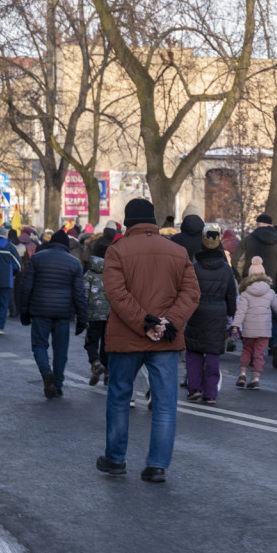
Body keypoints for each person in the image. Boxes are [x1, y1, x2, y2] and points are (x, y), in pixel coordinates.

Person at [98, 198, 200, 483]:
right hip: (166, 339)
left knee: (119, 398)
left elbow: (117, 295)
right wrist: (169, 323)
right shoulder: (178, 252)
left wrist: (145, 324)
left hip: (127, 337)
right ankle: (157, 465)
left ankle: (115, 459)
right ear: (154, 222)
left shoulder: (116, 251)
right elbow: (191, 293)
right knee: (165, 404)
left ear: (128, 222)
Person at [19, 230, 87, 398]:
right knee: (61, 350)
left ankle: (46, 372)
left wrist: (24, 311)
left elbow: (25, 287)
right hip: (63, 313)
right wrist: (82, 319)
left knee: (39, 345)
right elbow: (79, 293)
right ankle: (57, 384)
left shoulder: (37, 258)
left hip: (40, 310)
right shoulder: (74, 263)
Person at [186, 224, 238, 403]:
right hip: (218, 314)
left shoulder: (194, 267)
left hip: (196, 312)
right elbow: (231, 295)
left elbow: (187, 291)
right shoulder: (226, 269)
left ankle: (194, 388)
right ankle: (210, 393)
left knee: (194, 352)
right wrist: (231, 314)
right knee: (213, 354)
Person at [233, 213, 277, 368]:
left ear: (257, 224)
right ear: (271, 226)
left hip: (249, 284)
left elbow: (237, 261)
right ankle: (276, 343)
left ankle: (250, 353)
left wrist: (241, 280)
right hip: (271, 286)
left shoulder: (247, 241)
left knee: (249, 318)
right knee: (271, 317)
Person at [231, 256, 277, 391]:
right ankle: (255, 378)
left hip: (249, 329)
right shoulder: (270, 291)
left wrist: (235, 325)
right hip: (264, 330)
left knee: (246, 350)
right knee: (259, 354)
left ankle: (242, 374)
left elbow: (241, 311)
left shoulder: (245, 292)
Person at [84, 243, 112, 385]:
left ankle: (96, 363)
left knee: (91, 341)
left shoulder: (89, 274)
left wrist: (82, 314)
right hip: (109, 315)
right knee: (107, 344)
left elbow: (84, 295)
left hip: (93, 315)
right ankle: (107, 372)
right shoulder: (112, 273)